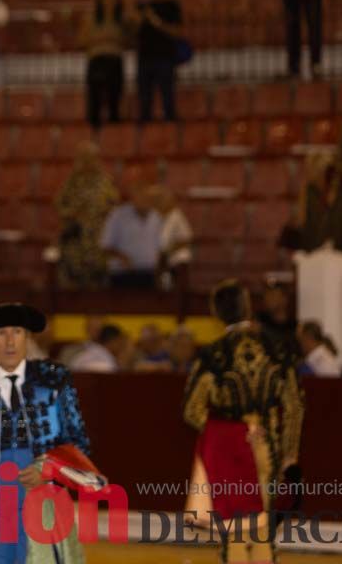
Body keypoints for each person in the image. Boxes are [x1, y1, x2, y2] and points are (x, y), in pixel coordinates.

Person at [0, 303, 92, 564]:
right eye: (0, 333)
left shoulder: (53, 380)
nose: (9, 341)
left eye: (17, 332)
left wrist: (49, 470)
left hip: (44, 497)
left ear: (28, 338)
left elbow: (78, 443)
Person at [182, 281, 304, 564]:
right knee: (262, 528)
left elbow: (192, 409)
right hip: (269, 443)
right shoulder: (278, 348)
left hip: (231, 445)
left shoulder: (214, 354)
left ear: (217, 313)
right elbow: (295, 405)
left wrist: (226, 432)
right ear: (249, 307)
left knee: (235, 528)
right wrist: (289, 454)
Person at [55, 142, 118, 289]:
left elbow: (113, 206)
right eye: (83, 158)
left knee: (97, 282)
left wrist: (102, 214)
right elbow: (60, 205)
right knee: (73, 281)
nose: (86, 161)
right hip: (75, 240)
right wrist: (73, 213)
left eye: (90, 158)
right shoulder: (71, 182)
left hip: (97, 240)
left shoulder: (105, 182)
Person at [128, 0, 184, 122]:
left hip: (165, 58)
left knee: (168, 100)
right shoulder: (141, 6)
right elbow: (132, 33)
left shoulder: (172, 5)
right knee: (144, 102)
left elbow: (178, 31)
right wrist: (139, 19)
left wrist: (157, 22)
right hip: (145, 59)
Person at [78, 0, 127, 128]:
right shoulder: (91, 19)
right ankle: (94, 136)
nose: (108, 1)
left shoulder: (122, 20)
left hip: (115, 62)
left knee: (114, 100)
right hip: (97, 62)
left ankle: (115, 138)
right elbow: (81, 40)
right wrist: (101, 38)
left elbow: (128, 40)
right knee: (95, 102)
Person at [100, 183, 163, 289]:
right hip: (123, 275)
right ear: (133, 198)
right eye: (141, 196)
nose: (145, 200)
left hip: (149, 274)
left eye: (148, 197)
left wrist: (159, 271)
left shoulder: (156, 217)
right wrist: (122, 257)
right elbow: (105, 246)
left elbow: (159, 247)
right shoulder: (118, 216)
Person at [297, 150, 342, 252]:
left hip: (336, 245)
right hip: (313, 245)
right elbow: (302, 219)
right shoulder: (308, 190)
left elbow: (341, 221)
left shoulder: (339, 191)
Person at [154, 185, 193, 291]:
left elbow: (186, 240)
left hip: (176, 262)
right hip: (160, 262)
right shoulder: (155, 217)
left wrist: (167, 252)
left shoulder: (177, 216)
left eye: (163, 199)